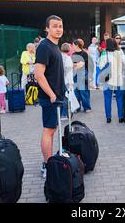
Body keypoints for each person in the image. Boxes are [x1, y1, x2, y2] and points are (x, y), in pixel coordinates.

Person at [34, 15, 66, 179]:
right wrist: (52, 94)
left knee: (52, 130)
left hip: (57, 97)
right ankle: (47, 165)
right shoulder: (45, 46)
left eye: (60, 26)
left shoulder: (54, 46)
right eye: (54, 26)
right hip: (50, 98)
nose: (58, 29)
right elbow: (39, 75)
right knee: (49, 130)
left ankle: (51, 161)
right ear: (47, 28)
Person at [98, 38, 125, 123]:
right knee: (120, 99)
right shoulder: (120, 53)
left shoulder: (105, 54)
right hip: (119, 80)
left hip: (107, 80)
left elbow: (100, 66)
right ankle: (121, 117)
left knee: (107, 98)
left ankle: (108, 118)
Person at [72, 39, 92, 113]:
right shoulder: (73, 54)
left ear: (77, 45)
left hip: (83, 73)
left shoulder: (84, 53)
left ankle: (87, 107)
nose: (72, 46)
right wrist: (76, 64)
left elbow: (81, 64)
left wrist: (75, 64)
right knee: (76, 91)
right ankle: (77, 107)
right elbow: (73, 65)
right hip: (75, 74)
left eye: (73, 45)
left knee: (83, 91)